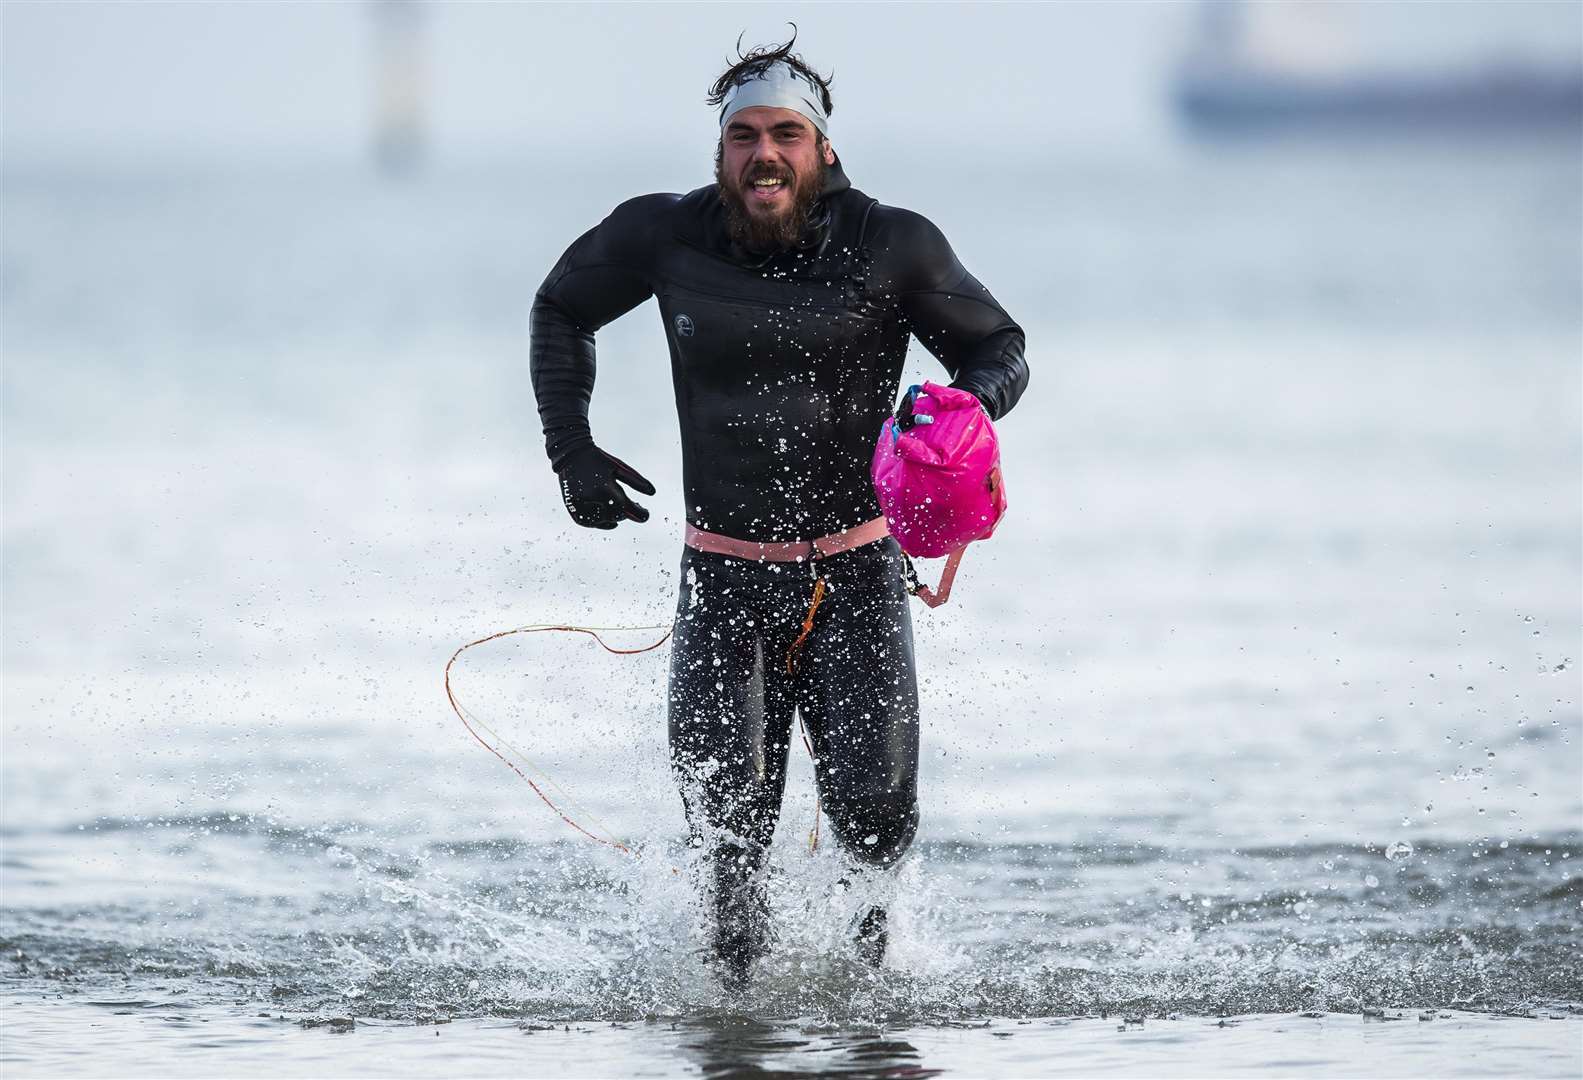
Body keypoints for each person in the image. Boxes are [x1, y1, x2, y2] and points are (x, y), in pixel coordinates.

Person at [529, 33, 1029, 985]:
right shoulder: (664, 235)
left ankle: (875, 1013)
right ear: (719, 152)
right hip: (721, 580)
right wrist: (572, 450)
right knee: (730, 836)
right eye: (743, 136)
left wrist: (966, 410)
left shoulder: (893, 244)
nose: (764, 153)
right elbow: (560, 307)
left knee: (876, 829)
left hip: (857, 574)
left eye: (785, 134)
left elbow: (997, 344)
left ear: (822, 148)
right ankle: (732, 1026)